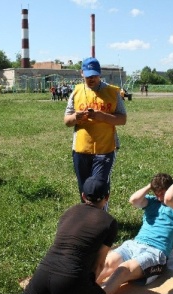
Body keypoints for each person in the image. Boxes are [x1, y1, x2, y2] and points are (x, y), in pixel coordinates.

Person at [19, 176, 118, 294]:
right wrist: (88, 287)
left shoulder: (69, 212)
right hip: (71, 279)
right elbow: (98, 265)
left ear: (83, 195)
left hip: (43, 273)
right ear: (107, 197)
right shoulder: (109, 222)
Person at [97, 173, 173, 294]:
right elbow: (133, 200)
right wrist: (149, 186)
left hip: (155, 252)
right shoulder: (151, 202)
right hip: (134, 244)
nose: (159, 198)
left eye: (162, 193)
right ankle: (81, 290)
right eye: (156, 194)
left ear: (170, 190)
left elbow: (170, 199)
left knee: (122, 271)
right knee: (105, 263)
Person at [64, 57, 127, 206]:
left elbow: (122, 119)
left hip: (105, 149)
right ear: (81, 74)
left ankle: (102, 220)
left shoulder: (112, 92)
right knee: (84, 187)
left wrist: (103, 116)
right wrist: (76, 117)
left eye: (94, 75)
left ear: (100, 74)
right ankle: (87, 218)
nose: (91, 79)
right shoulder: (76, 92)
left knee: (100, 187)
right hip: (81, 149)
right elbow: (67, 121)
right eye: (88, 76)